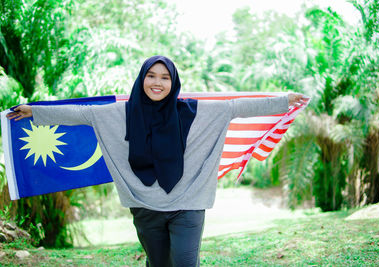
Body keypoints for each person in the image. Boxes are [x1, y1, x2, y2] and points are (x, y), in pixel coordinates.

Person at [7, 55, 307, 267]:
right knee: (159, 263)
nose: (157, 82)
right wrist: (34, 111)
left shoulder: (194, 111)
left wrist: (283, 100)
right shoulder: (119, 113)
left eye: (165, 77)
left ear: (173, 82)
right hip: (145, 206)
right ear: (142, 78)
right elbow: (80, 113)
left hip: (187, 205)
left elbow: (236, 106)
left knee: (186, 262)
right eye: (151, 75)